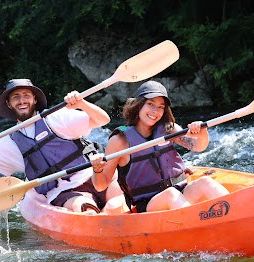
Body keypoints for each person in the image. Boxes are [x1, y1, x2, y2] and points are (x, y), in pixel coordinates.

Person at [0, 78, 122, 214]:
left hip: (97, 176)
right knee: (86, 209)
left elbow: (103, 120)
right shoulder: (7, 142)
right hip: (65, 192)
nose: (22, 100)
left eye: (26, 95)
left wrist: (82, 104)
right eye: (16, 97)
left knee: (120, 199)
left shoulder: (57, 117)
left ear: (34, 100)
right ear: (9, 104)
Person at [89, 80, 229, 213]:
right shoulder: (119, 141)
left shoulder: (168, 129)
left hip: (181, 190)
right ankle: (199, 224)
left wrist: (202, 132)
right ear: (138, 105)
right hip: (149, 204)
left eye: (161, 107)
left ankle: (235, 213)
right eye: (150, 104)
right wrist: (97, 170)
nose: (155, 111)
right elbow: (101, 185)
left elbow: (199, 146)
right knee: (170, 195)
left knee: (205, 182)